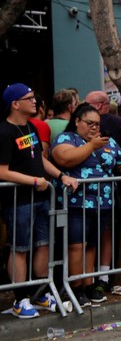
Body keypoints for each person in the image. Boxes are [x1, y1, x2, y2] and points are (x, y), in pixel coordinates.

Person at [51, 103, 121, 308]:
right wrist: (91, 146)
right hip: (76, 204)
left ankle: (89, 284)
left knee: (91, 246)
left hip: (102, 203)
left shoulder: (108, 142)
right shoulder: (67, 138)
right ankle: (75, 288)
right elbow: (64, 158)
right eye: (89, 123)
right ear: (77, 121)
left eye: (97, 124)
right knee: (77, 245)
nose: (95, 127)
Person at [0, 84, 78, 318]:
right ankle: (19, 299)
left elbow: (40, 161)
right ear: (15, 104)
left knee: (43, 245)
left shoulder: (31, 127)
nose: (35, 102)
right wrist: (33, 181)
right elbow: (2, 171)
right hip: (19, 201)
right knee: (20, 249)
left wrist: (61, 176)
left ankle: (41, 292)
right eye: (29, 98)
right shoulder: (4, 132)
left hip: (42, 197)